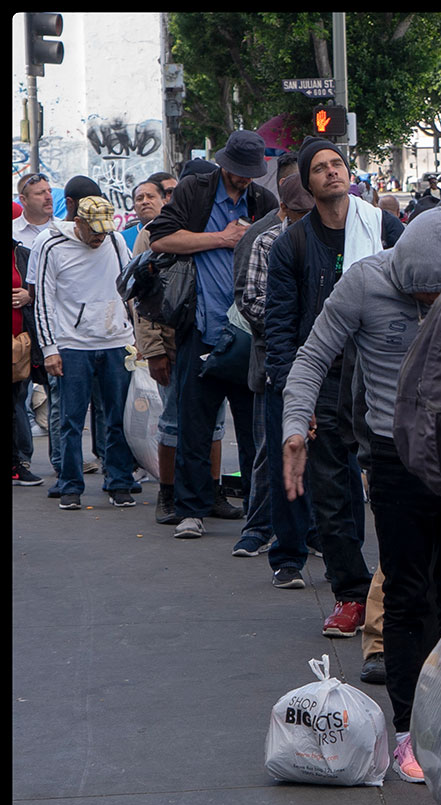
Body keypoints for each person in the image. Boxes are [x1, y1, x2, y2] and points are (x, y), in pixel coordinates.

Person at [280, 206, 441, 787]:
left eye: (440, 297)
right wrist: (296, 426)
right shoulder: (367, 280)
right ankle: (413, 728)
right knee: (407, 593)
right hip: (394, 457)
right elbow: (312, 357)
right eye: (420, 295)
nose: (429, 306)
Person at [261, 137, 401, 627]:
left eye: (337, 164)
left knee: (391, 481)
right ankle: (352, 594)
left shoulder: (383, 226)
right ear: (308, 181)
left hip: (381, 372)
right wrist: (293, 395)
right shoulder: (292, 244)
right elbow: (280, 326)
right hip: (321, 376)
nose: (331, 173)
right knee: (331, 492)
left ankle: (398, 588)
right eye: (319, 168)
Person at [145, 130, 278, 540]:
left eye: (249, 174)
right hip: (200, 329)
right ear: (224, 165)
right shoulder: (195, 191)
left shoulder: (263, 201)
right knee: (194, 426)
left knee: (255, 432)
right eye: (237, 172)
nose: (242, 180)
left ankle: (261, 516)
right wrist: (222, 239)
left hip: (247, 335)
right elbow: (160, 237)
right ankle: (191, 509)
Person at [32, 196, 137, 509]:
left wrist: (138, 337)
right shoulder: (54, 246)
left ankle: (119, 482)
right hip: (73, 344)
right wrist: (50, 349)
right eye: (94, 230)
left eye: (103, 231)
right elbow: (43, 301)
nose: (99, 237)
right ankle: (70, 484)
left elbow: (131, 289)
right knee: (71, 420)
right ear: (77, 221)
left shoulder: (117, 242)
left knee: (118, 418)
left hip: (117, 340)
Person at [227, 153, 301, 557]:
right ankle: (257, 527)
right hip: (271, 361)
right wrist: (288, 327)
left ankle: (310, 533)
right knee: (269, 452)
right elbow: (247, 300)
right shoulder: (262, 236)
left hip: (320, 363)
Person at [12, 231, 44, 486]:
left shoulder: (21, 254)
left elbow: (42, 291)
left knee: (17, 402)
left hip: (18, 346)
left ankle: (20, 462)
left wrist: (28, 296)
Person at [14, 173, 57, 250]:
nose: (49, 197)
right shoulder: (14, 233)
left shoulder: (64, 229)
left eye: (50, 191)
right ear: (23, 199)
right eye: (40, 193)